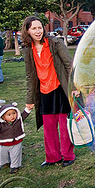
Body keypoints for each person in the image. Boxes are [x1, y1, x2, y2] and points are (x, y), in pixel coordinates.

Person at [21, 16, 76, 168]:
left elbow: (69, 65)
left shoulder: (55, 43)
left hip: (60, 88)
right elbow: (30, 76)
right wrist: (30, 99)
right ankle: (53, 157)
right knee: (48, 126)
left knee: (64, 125)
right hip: (44, 91)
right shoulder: (28, 49)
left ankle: (68, 155)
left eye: (40, 28)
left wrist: (74, 87)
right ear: (28, 31)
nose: (38, 31)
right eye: (34, 28)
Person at [0, 102, 31, 173]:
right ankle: (4, 163)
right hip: (4, 143)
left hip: (16, 142)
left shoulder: (18, 120)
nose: (12, 116)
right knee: (3, 154)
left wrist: (28, 109)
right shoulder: (0, 124)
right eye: (9, 115)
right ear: (3, 117)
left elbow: (24, 115)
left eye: (14, 113)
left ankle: (15, 166)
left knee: (15, 155)